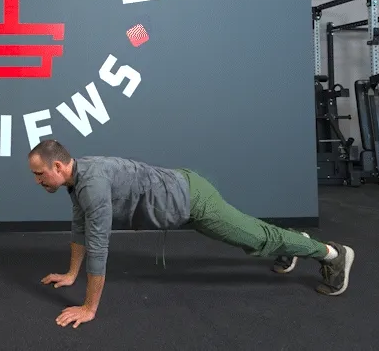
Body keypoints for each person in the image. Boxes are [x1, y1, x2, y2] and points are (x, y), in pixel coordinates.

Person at [27, 140, 355, 328]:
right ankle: (294, 243)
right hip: (179, 187)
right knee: (255, 233)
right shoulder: (79, 177)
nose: (37, 181)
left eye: (39, 174)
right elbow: (80, 225)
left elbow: (98, 246)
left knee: (255, 238)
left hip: (192, 201)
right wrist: (72, 274)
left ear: (58, 167)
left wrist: (89, 308)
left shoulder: (92, 185)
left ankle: (333, 254)